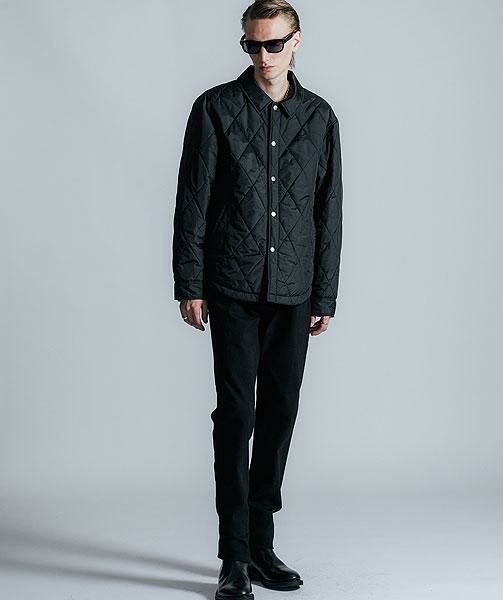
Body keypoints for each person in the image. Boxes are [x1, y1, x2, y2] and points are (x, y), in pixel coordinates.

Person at [172, 1, 343, 598]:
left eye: (273, 44)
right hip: (233, 286)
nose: (263, 56)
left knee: (280, 412)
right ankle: (235, 557)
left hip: (294, 290)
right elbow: (193, 201)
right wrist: (190, 282)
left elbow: (328, 211)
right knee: (236, 416)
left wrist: (325, 292)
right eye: (252, 45)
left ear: (296, 41)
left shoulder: (320, 117)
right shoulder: (215, 108)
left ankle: (263, 546)